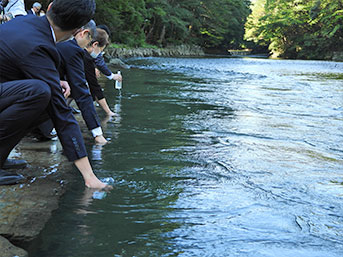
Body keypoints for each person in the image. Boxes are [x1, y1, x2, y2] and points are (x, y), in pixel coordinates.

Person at [0, 0, 109, 189]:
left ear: (49, 7)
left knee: (49, 91)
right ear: (77, 30)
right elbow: (61, 113)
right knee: (41, 93)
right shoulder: (40, 45)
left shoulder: (25, 23)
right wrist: (89, 176)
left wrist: (55, 82)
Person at [57, 20, 108, 145]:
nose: (87, 46)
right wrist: (97, 133)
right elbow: (81, 90)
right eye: (88, 42)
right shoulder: (73, 49)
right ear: (84, 33)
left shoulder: (58, 41)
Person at [85, 26, 122, 116]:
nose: (100, 54)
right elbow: (95, 87)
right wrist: (109, 112)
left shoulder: (82, 53)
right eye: (101, 50)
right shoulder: (85, 57)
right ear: (95, 45)